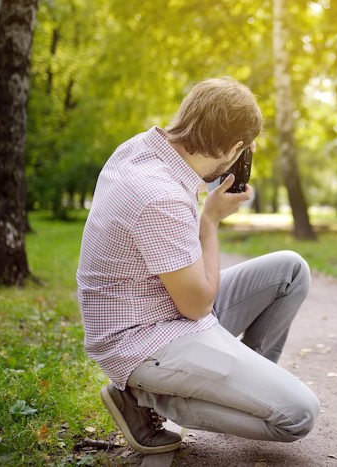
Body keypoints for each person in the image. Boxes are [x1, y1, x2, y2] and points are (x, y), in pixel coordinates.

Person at [76, 77, 320, 454]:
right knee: (298, 415)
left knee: (290, 270)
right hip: (143, 339)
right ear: (237, 147)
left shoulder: (142, 150)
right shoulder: (161, 196)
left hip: (161, 307)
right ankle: (148, 398)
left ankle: (239, 389)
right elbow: (198, 305)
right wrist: (210, 221)